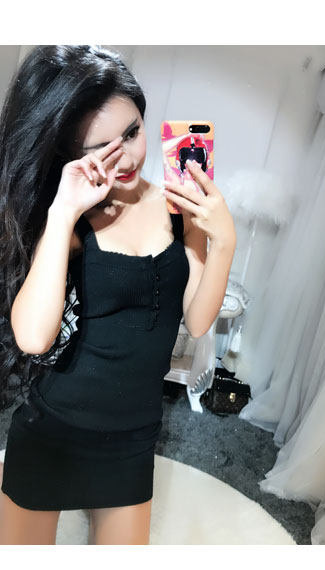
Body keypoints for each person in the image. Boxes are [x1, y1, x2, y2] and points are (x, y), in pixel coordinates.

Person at [0, 45, 236, 544]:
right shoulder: (69, 215)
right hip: (54, 430)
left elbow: (196, 322)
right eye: (100, 148)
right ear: (70, 153)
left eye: (131, 132)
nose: (125, 157)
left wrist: (224, 242)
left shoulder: (178, 207)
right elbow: (33, 338)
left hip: (133, 436)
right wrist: (63, 212)